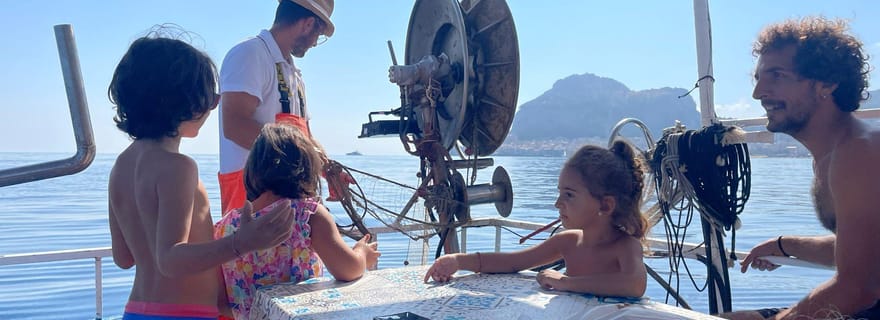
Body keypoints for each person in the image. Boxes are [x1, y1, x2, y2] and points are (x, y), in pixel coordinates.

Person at [107, 32, 296, 320]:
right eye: (209, 95)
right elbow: (169, 259)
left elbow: (123, 257)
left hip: (135, 311)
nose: (216, 103)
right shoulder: (179, 167)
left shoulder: (120, 166)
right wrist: (242, 242)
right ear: (184, 100)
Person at [722, 16, 880, 320]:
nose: (758, 93)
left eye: (777, 75)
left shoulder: (860, 152)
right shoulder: (832, 155)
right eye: (758, 78)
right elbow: (864, 251)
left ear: (827, 84)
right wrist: (787, 245)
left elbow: (859, 287)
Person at [424, 140, 649, 298]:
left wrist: (566, 283)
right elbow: (513, 262)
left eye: (569, 195)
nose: (557, 203)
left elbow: (634, 284)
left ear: (605, 205)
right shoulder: (567, 241)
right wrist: (458, 261)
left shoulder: (625, 246)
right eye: (559, 193)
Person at [214, 123, 380, 320]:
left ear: (253, 170)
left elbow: (220, 302)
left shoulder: (225, 226)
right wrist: (362, 253)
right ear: (307, 169)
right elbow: (348, 270)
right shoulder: (309, 216)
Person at [218, 0, 335, 214]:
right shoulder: (249, 54)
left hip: (291, 199)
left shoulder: (293, 72)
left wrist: (328, 171)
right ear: (308, 24)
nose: (313, 44)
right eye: (318, 37)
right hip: (250, 197)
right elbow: (234, 125)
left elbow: (305, 135)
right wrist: (302, 158)